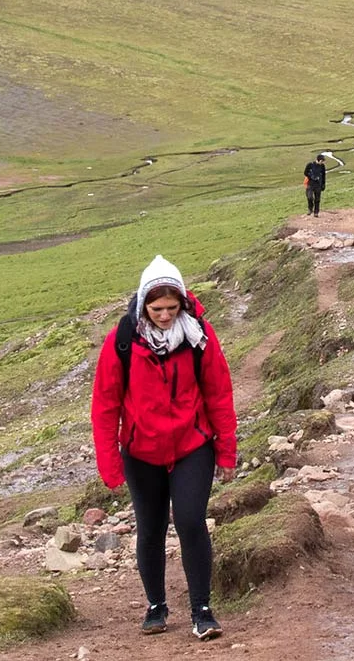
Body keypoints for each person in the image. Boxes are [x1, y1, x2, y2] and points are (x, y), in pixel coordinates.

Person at [91, 256, 239, 640]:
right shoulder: (121, 341)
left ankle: (202, 610)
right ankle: (156, 606)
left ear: (183, 304)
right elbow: (105, 406)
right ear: (143, 305)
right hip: (141, 453)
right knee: (151, 528)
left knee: (191, 521)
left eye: (173, 308)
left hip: (193, 445)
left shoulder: (199, 336)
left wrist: (226, 452)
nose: (165, 316)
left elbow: (219, 394)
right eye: (157, 309)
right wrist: (110, 465)